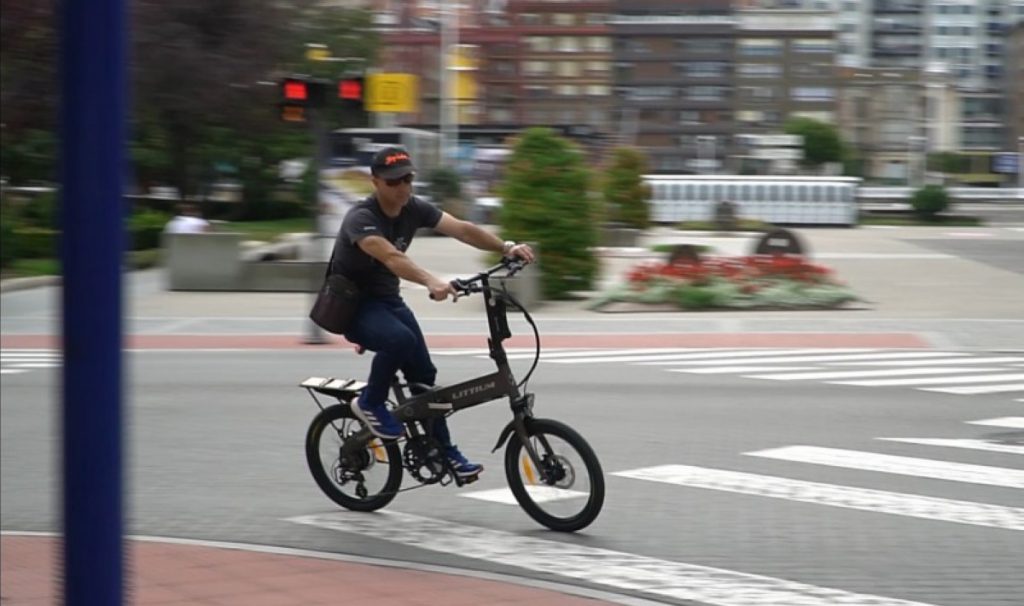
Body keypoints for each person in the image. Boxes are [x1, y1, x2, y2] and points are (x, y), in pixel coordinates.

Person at [331, 146, 534, 479]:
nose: (403, 187)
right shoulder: (361, 218)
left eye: (408, 179)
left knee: (425, 381)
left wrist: (506, 247)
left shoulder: (413, 208)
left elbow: (463, 229)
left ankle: (443, 452)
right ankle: (369, 402)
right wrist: (430, 280)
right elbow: (392, 257)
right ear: (375, 182)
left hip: (388, 302)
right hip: (353, 305)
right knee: (398, 340)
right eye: (394, 181)